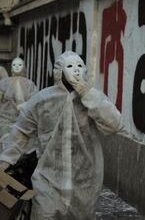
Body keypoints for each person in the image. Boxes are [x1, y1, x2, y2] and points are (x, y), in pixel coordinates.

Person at [0, 51, 126, 219]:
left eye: (80, 66)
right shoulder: (42, 99)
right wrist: (6, 161)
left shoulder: (93, 99)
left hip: (84, 183)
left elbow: (115, 124)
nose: (76, 70)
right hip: (48, 181)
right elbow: (21, 131)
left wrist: (86, 92)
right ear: (59, 71)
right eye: (70, 66)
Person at [0, 57, 37, 142]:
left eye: (19, 65)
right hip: (5, 120)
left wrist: (25, 105)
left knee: (20, 145)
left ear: (24, 67)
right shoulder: (4, 83)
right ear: (11, 67)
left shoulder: (29, 84)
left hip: (24, 120)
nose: (17, 67)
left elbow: (35, 100)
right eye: (14, 65)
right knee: (5, 144)